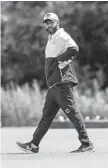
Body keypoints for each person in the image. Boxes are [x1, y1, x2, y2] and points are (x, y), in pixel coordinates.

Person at [16, 13, 95, 153]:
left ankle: (86, 143)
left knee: (73, 113)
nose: (48, 25)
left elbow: (74, 48)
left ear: (57, 22)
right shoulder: (52, 38)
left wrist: (59, 59)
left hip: (62, 82)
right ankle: (34, 145)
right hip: (54, 85)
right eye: (46, 23)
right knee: (46, 116)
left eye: (50, 22)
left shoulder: (61, 35)